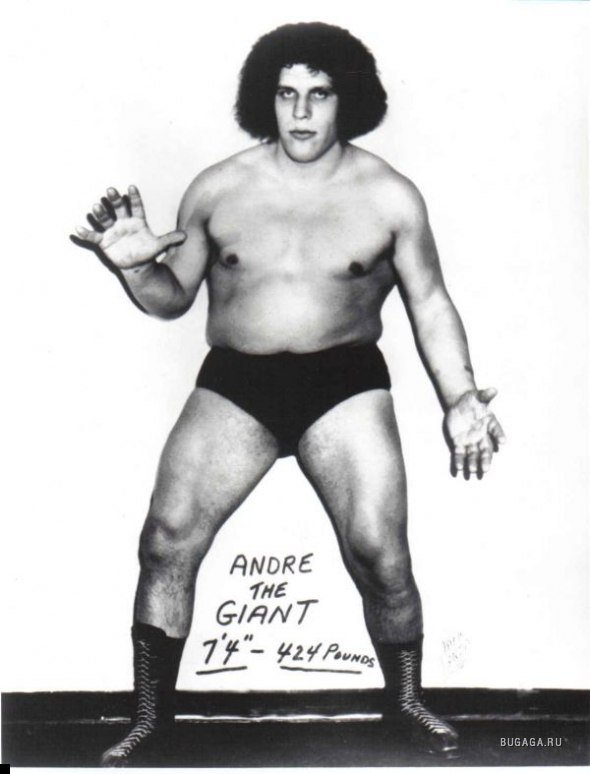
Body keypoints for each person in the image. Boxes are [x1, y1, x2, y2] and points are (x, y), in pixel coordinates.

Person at [74, 22, 505, 766]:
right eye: (285, 94)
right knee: (165, 539)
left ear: (348, 101)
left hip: (344, 383)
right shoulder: (219, 187)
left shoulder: (390, 197)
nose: (301, 112)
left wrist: (460, 396)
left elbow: (430, 303)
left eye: (320, 94)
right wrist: (133, 268)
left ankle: (406, 705)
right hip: (237, 383)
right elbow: (171, 298)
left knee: (380, 554)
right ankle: (150, 722)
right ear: (264, 100)